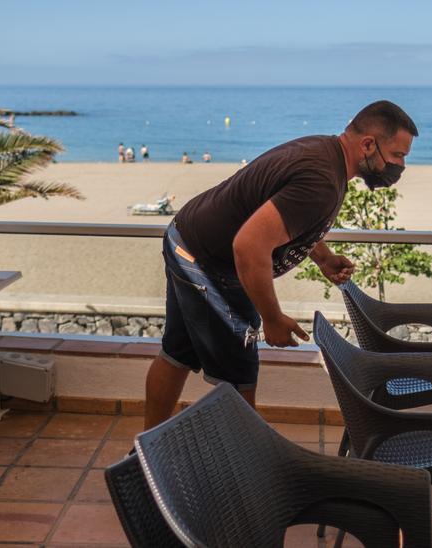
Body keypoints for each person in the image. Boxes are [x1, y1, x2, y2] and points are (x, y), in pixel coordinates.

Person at [143, 100, 417, 428]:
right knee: (238, 380)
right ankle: (246, 469)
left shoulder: (326, 154)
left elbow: (286, 217)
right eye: (398, 156)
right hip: (208, 263)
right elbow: (248, 246)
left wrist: (323, 257)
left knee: (177, 355)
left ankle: (145, 451)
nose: (400, 166)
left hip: (187, 238)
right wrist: (271, 318)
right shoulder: (321, 180)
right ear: (368, 144)